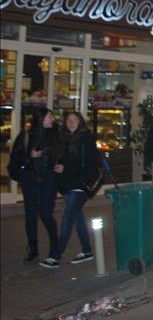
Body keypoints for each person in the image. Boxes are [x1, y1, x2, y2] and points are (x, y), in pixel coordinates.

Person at [40, 112, 100, 269]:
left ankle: (55, 256)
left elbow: (90, 163)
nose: (71, 122)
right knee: (77, 218)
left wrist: (67, 168)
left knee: (67, 219)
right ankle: (87, 251)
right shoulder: (63, 139)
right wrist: (60, 167)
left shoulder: (86, 138)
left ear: (80, 122)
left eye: (74, 120)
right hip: (67, 185)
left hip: (80, 185)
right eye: (68, 120)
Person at [7, 109, 59, 263]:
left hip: (48, 178)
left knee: (46, 213)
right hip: (30, 178)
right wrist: (29, 155)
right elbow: (15, 157)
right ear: (41, 119)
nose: (52, 119)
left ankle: (54, 246)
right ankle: (33, 247)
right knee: (30, 214)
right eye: (50, 117)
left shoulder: (54, 136)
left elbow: (61, 154)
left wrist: (60, 165)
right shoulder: (26, 136)